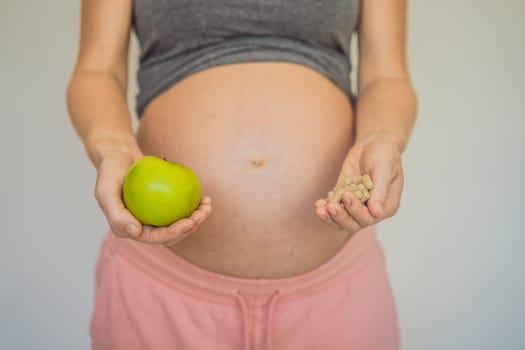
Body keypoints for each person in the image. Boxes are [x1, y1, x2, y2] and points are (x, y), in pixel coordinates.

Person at [66, 0, 417, 349]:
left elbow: (386, 76)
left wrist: (381, 137)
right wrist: (111, 146)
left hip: (336, 296)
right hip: (160, 292)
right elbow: (97, 70)